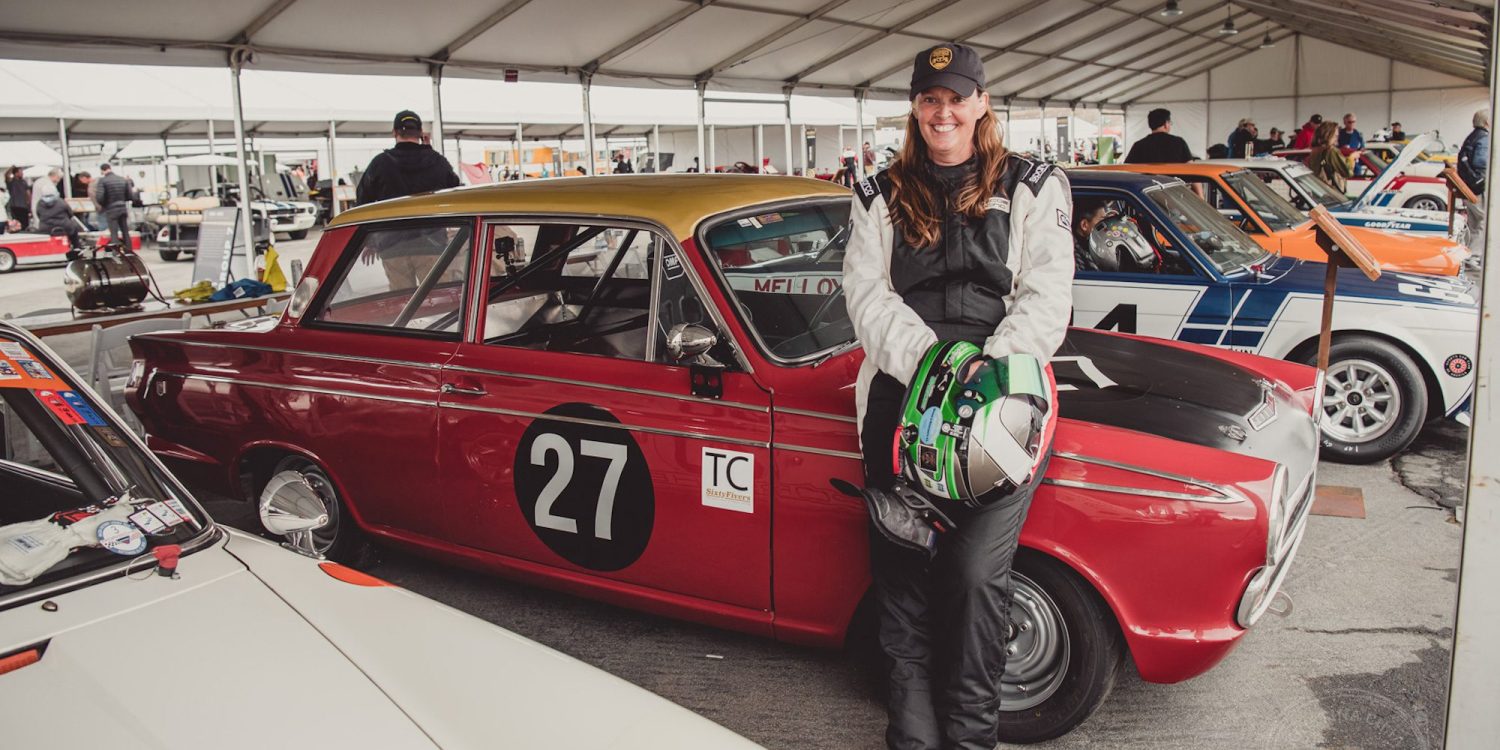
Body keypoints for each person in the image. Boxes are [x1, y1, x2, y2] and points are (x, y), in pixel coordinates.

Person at [843, 42, 1072, 750]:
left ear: (982, 102)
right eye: (930, 99)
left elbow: (1046, 295)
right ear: (916, 107)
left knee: (975, 573)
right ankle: (911, 736)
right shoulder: (877, 192)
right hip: (902, 395)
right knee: (902, 563)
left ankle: (971, 738)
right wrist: (932, 363)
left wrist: (987, 371)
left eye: (957, 97)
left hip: (1002, 400)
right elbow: (866, 295)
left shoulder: (1033, 182)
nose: (944, 113)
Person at [355, 110, 461, 206]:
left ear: (394, 132)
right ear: (421, 133)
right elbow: (456, 194)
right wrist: (429, 152)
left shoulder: (379, 163)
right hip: (433, 226)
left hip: (392, 226)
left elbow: (362, 200)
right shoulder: (439, 162)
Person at [1458, 109, 1489, 257]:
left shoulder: (1471, 137)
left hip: (1468, 187)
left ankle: (1468, 252)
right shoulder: (1484, 138)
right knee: (1483, 223)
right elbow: (1481, 163)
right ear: (1487, 122)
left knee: (1473, 223)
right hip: (1479, 188)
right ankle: (1474, 255)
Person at [1125, 108, 1195, 163]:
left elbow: (1127, 169)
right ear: (1166, 124)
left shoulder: (1138, 145)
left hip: (1147, 181)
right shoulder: (1179, 142)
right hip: (1174, 181)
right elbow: (1191, 169)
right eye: (1170, 123)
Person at [1308, 121, 1352, 194]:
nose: (1337, 138)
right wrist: (1351, 158)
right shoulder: (1331, 151)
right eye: (1335, 136)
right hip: (1332, 194)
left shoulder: (1315, 151)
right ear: (1328, 135)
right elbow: (1347, 172)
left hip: (1318, 192)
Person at [94, 163, 132, 246]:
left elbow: (99, 197)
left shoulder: (102, 181)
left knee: (114, 233)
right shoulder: (122, 179)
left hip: (111, 209)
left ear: (102, 170)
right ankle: (129, 252)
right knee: (125, 231)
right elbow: (130, 195)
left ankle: (116, 253)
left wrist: (104, 205)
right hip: (122, 208)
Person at [1072, 198, 1110, 269]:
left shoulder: (1091, 247)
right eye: (1102, 221)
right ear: (1084, 225)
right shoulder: (1074, 257)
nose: (1106, 225)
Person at [5, 166, 30, 231]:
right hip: (15, 206)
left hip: (24, 206)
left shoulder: (24, 182)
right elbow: (6, 175)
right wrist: (11, 168)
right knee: (17, 224)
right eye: (20, 172)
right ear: (16, 173)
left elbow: (28, 193)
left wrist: (28, 202)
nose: (22, 173)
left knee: (25, 224)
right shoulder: (11, 182)